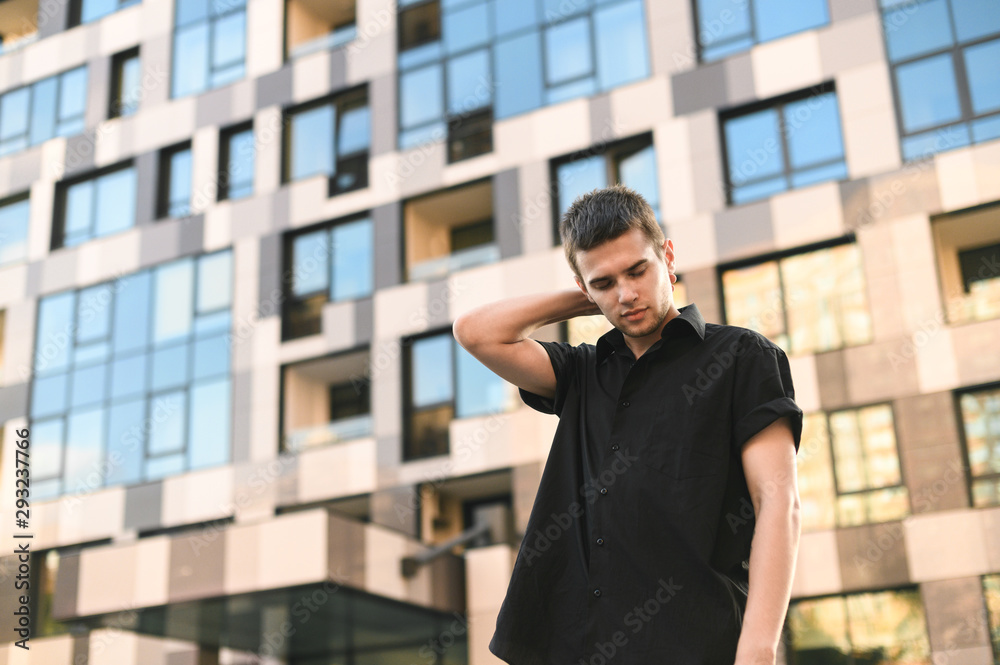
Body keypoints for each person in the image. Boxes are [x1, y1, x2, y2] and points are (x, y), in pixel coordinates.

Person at [452, 184, 803, 665]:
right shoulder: (582, 371)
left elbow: (777, 500)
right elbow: (476, 332)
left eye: (638, 270)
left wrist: (758, 650)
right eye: (604, 282)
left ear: (667, 257)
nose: (627, 294)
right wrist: (590, 297)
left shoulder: (742, 357)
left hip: (695, 643)